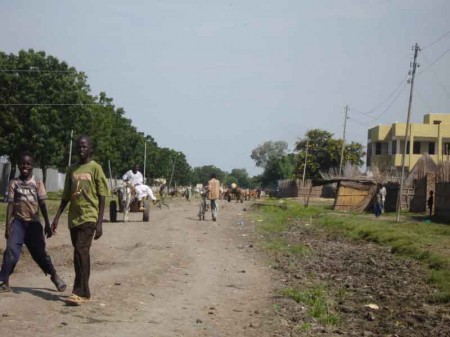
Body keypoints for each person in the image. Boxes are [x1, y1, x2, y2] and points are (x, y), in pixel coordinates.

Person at [51, 135, 109, 305]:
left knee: (80, 251)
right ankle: (85, 291)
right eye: (79, 147)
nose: (81, 149)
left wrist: (99, 222)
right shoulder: (72, 170)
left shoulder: (95, 168)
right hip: (74, 219)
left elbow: (102, 195)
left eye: (84, 147)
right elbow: (66, 196)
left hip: (89, 217)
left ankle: (79, 291)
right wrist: (56, 218)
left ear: (91, 149)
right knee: (81, 254)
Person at [0, 151, 66, 293]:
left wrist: (47, 225)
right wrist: (7, 226)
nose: (25, 166)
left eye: (28, 164)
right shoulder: (14, 183)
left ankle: (54, 276)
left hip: (34, 224)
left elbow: (42, 205)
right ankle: (3, 281)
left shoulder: (37, 183)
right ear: (18, 165)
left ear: (33, 166)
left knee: (40, 253)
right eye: (22, 163)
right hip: (18, 223)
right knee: (11, 251)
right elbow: (10, 205)